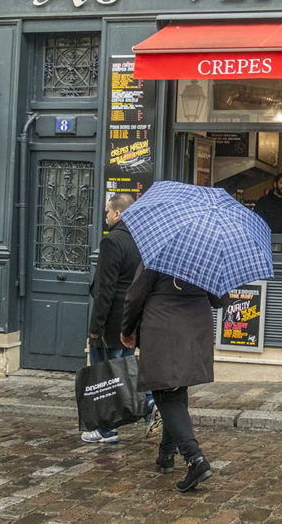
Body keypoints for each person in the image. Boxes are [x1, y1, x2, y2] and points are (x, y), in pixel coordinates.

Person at [121, 263, 219, 492]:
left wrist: (126, 330)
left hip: (164, 328)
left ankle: (195, 459)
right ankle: (165, 454)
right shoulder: (206, 255)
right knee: (175, 389)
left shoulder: (158, 253)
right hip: (194, 330)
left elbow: (135, 295)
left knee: (166, 393)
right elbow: (220, 299)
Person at [81, 193, 154, 443]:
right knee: (126, 370)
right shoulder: (141, 240)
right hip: (131, 320)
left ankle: (107, 428)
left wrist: (95, 328)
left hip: (111, 322)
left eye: (107, 211)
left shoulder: (113, 241)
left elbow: (105, 289)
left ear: (118, 213)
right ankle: (148, 405)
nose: (106, 216)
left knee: (107, 377)